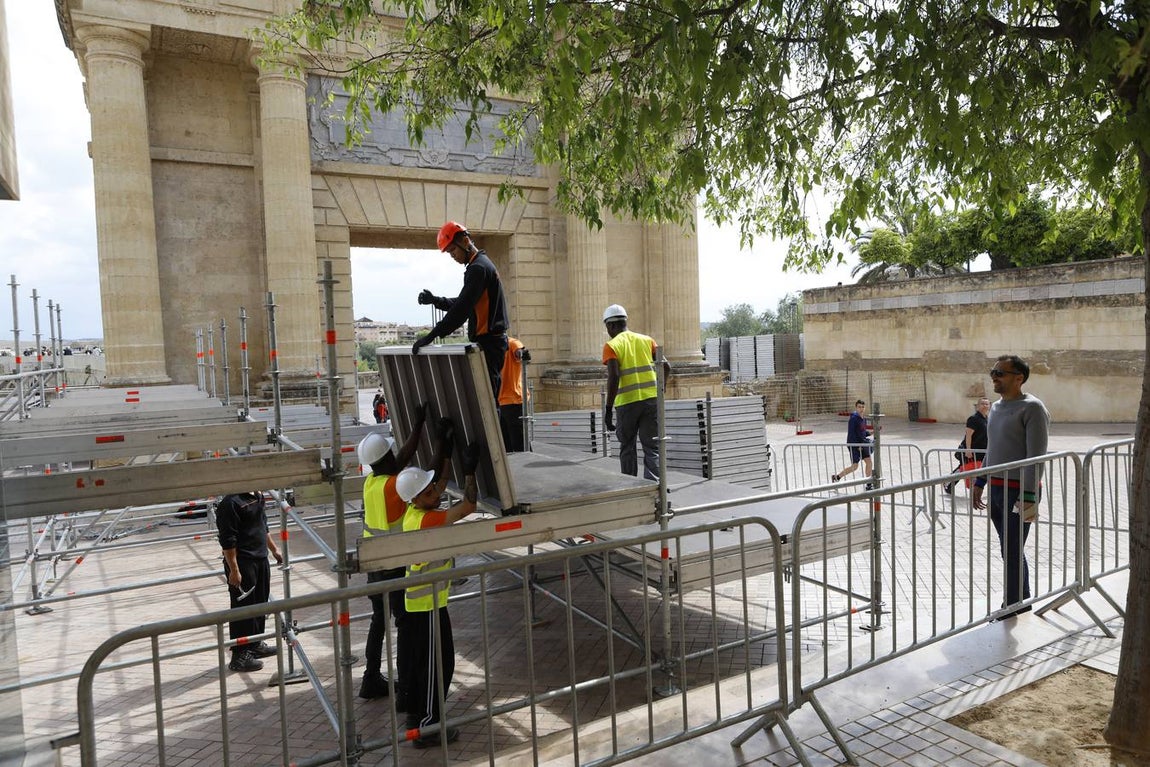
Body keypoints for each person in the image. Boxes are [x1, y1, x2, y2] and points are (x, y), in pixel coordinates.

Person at [396, 439, 483, 749]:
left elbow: (436, 483)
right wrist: (470, 472)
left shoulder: (414, 511)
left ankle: (418, 719)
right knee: (437, 667)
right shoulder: (427, 518)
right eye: (430, 492)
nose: (437, 492)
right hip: (426, 605)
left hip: (421, 603)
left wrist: (447, 453)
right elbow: (469, 506)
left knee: (426, 666)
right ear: (417, 499)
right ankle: (428, 726)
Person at [354, 403, 438, 702]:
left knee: (379, 621)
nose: (396, 456)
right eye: (391, 454)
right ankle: (405, 689)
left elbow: (402, 457)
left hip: (374, 563)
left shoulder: (371, 483)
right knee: (403, 624)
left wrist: (417, 426)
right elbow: (420, 474)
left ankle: (370, 678)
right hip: (394, 565)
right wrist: (441, 445)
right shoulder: (393, 485)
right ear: (386, 458)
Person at [973, 355, 1050, 618]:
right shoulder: (995, 408)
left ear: (1019, 378)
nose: (994, 376)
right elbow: (991, 449)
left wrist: (1028, 497)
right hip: (996, 488)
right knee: (1009, 548)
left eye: (1000, 373)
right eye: (993, 371)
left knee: (1013, 548)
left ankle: (1014, 605)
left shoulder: (1033, 408)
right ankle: (1020, 601)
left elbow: (1036, 457)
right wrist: (979, 482)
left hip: (1019, 490)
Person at [414, 222, 510, 400]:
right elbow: (466, 302)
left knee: (487, 400)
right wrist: (437, 301)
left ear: (465, 241)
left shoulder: (478, 268)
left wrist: (431, 335)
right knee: (486, 399)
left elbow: (462, 309)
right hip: (491, 343)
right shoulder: (480, 265)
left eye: (453, 251)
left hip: (490, 344)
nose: (453, 256)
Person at [601, 304, 672, 480]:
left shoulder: (611, 346)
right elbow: (667, 367)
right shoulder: (647, 340)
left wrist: (608, 409)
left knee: (627, 447)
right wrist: (661, 391)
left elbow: (614, 376)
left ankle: (630, 486)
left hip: (627, 404)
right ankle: (655, 489)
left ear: (610, 325)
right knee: (652, 447)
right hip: (651, 401)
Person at [215, 491, 282, 672]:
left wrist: (274, 550)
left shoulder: (258, 495)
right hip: (243, 562)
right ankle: (239, 655)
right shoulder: (230, 503)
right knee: (243, 609)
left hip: (260, 559)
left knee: (260, 603)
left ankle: (254, 643)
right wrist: (234, 570)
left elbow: (262, 526)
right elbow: (228, 540)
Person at [944, 397, 990, 494]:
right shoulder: (973, 419)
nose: (985, 406)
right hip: (972, 450)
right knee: (963, 468)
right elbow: (968, 435)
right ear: (977, 406)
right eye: (982, 404)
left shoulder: (986, 418)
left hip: (982, 450)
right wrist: (968, 450)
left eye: (987, 404)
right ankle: (948, 482)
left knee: (979, 468)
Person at [832, 400, 874, 489]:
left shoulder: (863, 418)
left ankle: (868, 484)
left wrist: (869, 433)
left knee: (869, 462)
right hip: (854, 445)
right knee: (855, 466)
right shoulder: (853, 419)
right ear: (856, 408)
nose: (861, 409)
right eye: (859, 407)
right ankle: (837, 477)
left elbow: (861, 432)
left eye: (863, 407)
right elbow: (852, 433)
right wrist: (856, 445)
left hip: (862, 444)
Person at [498, 338, 531, 452]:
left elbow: (519, 351)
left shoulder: (511, 343)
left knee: (519, 444)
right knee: (505, 445)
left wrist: (522, 354)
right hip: (499, 402)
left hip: (514, 400)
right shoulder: (490, 346)